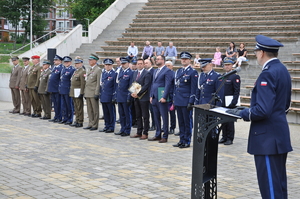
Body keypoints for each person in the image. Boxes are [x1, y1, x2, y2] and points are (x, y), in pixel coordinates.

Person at [227, 35, 292, 199]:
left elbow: (263, 110)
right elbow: (284, 105)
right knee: (279, 185)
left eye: (256, 52)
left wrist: (243, 113)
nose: (255, 55)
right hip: (278, 135)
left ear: (262, 53)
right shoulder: (282, 70)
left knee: (270, 187)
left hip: (267, 140)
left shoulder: (268, 74)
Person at [173, 52, 198, 148]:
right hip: (179, 100)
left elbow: (194, 88)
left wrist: (191, 101)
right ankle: (181, 139)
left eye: (186, 59)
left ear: (189, 60)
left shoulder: (193, 72)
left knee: (187, 122)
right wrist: (174, 99)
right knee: (181, 122)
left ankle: (187, 140)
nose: (183, 60)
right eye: (182, 59)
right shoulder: (178, 71)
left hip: (186, 100)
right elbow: (176, 86)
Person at [148, 55, 173, 143]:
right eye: (156, 59)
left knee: (164, 117)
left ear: (163, 60)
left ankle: (165, 135)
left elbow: (168, 85)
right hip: (154, 97)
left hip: (162, 97)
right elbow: (153, 84)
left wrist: (165, 97)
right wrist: (151, 95)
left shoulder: (167, 71)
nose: (156, 60)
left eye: (158, 59)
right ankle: (158, 134)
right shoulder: (155, 71)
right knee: (156, 117)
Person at [218, 59, 240, 145]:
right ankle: (224, 136)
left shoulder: (235, 76)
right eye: (225, 65)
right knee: (223, 120)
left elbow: (236, 91)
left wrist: (233, 102)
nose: (227, 66)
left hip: (230, 102)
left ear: (232, 66)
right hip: (223, 101)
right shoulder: (223, 76)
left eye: (228, 65)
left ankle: (230, 138)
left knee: (230, 121)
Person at [130, 59, 151, 139]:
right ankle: (139, 131)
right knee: (138, 115)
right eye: (138, 64)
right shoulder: (135, 73)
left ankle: (145, 133)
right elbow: (133, 83)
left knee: (145, 116)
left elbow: (146, 85)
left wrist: (138, 93)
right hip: (136, 98)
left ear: (143, 64)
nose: (139, 65)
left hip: (144, 97)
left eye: (141, 64)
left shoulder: (147, 73)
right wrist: (132, 92)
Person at [114, 57, 133, 136]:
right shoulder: (120, 72)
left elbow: (131, 86)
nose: (123, 65)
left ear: (128, 64)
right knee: (121, 114)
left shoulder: (131, 72)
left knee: (127, 114)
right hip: (120, 96)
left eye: (124, 63)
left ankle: (127, 130)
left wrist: (129, 97)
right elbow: (118, 84)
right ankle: (122, 128)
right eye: (122, 63)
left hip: (126, 96)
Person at [84, 54, 102, 131]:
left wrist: (96, 93)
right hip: (88, 92)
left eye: (91, 60)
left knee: (95, 110)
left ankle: (95, 124)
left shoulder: (98, 69)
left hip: (93, 92)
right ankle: (90, 123)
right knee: (89, 110)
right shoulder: (89, 69)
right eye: (89, 60)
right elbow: (87, 81)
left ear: (95, 61)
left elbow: (98, 82)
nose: (89, 61)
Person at [99, 58, 117, 133]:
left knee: (111, 112)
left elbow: (115, 86)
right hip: (104, 95)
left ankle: (111, 126)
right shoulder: (103, 73)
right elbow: (101, 85)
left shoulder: (114, 73)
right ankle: (106, 125)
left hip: (110, 96)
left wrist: (114, 97)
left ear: (112, 65)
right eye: (106, 65)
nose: (108, 66)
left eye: (109, 65)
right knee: (105, 112)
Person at [69, 58, 86, 128]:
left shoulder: (82, 71)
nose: (76, 65)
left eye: (78, 63)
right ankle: (77, 119)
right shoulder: (76, 71)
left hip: (78, 91)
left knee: (79, 107)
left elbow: (83, 83)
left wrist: (82, 92)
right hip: (74, 91)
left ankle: (80, 121)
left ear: (81, 64)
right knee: (76, 107)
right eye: (76, 63)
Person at [59, 56, 75, 125]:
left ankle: (70, 118)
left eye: (67, 62)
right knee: (63, 105)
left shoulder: (72, 70)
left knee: (69, 105)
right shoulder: (63, 69)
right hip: (62, 89)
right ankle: (65, 118)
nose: (66, 63)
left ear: (70, 62)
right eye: (65, 62)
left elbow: (72, 81)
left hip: (68, 89)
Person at [47, 55, 63, 123]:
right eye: (54, 60)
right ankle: (56, 116)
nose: (54, 61)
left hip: (57, 88)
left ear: (60, 61)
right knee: (55, 104)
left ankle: (59, 117)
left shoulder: (61, 68)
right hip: (52, 88)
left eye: (56, 60)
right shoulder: (54, 67)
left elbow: (61, 79)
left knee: (58, 104)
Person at [144, 59, 156, 131]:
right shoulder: (144, 72)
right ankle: (146, 125)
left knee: (153, 111)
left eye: (147, 63)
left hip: (151, 94)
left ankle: (154, 125)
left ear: (151, 63)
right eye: (144, 63)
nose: (145, 64)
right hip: (144, 95)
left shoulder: (153, 71)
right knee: (145, 111)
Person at [165, 61, 176, 135]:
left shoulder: (174, 74)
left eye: (169, 65)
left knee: (172, 113)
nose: (167, 67)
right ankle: (165, 127)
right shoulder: (163, 73)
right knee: (164, 113)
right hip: (164, 95)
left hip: (171, 96)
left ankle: (172, 127)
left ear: (172, 66)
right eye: (166, 65)